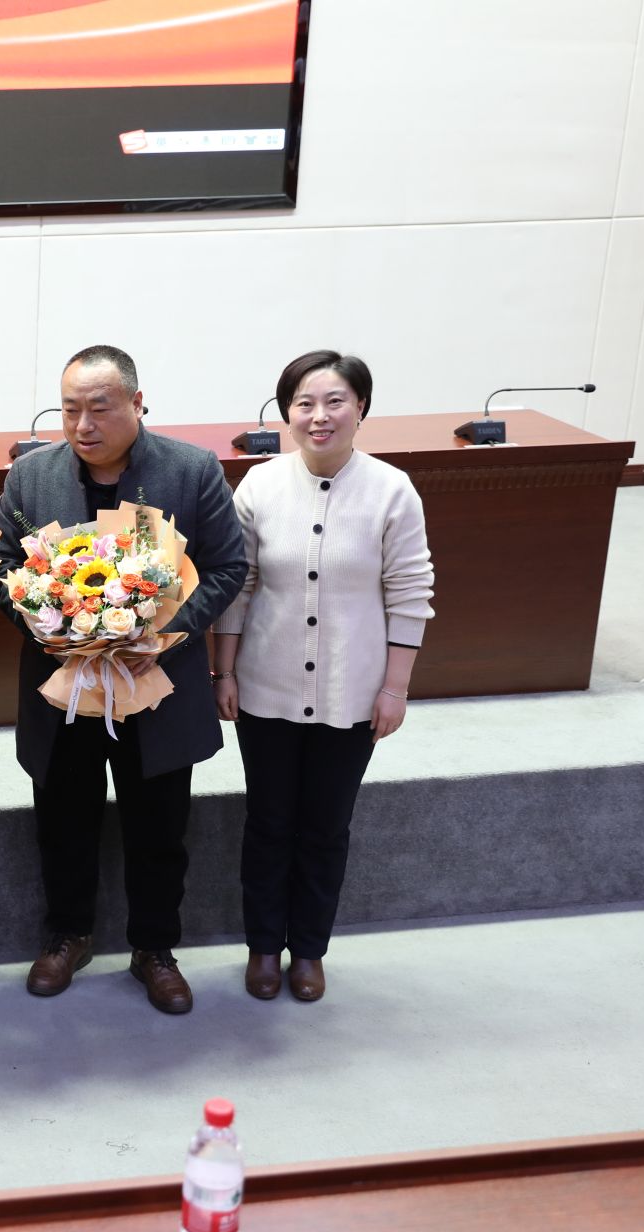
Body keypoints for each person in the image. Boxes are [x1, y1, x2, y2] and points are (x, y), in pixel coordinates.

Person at [0, 344, 246, 1013]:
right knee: (63, 819)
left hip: (154, 684)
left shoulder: (191, 470)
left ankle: (155, 948)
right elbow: (2, 567)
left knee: (159, 827)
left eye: (100, 408)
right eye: (70, 409)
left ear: (137, 403)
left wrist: (163, 634)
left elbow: (228, 566)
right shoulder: (31, 476)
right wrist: (51, 627)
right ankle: (68, 934)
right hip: (64, 685)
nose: (83, 425)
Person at [211, 351, 434, 1002]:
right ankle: (263, 946)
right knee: (268, 822)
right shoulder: (259, 486)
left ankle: (308, 950)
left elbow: (410, 591)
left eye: (335, 401)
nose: (319, 416)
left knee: (326, 827)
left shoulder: (392, 489)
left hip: (352, 691)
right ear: (286, 413)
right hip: (266, 686)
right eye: (304, 403)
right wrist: (223, 670)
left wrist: (395, 687)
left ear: (362, 407)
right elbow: (238, 585)